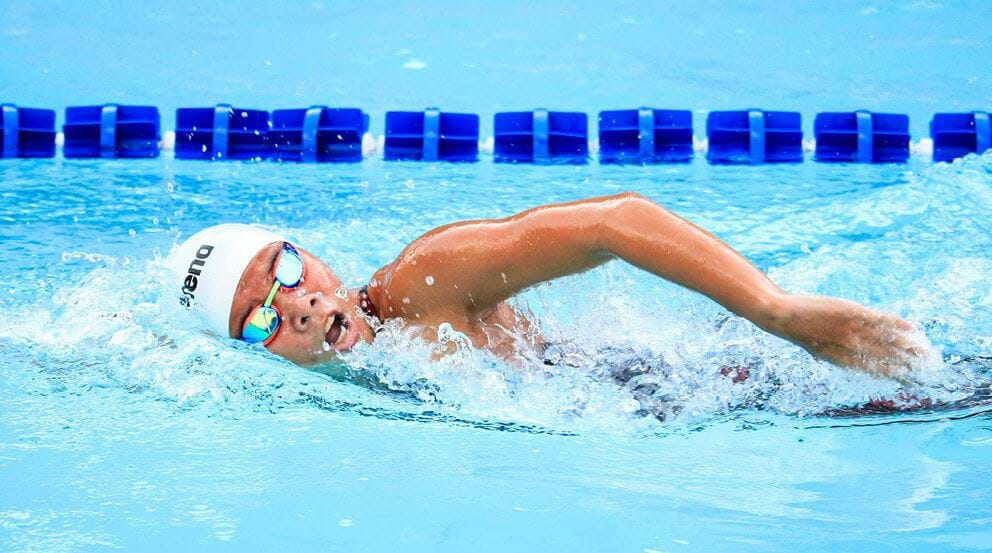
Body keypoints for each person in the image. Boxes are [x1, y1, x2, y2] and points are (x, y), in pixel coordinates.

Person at [166, 192, 928, 379]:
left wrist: (778, 312)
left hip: (697, 384)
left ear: (316, 261)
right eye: (259, 319)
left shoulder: (422, 282)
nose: (295, 306)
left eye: (287, 272)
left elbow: (615, 221)